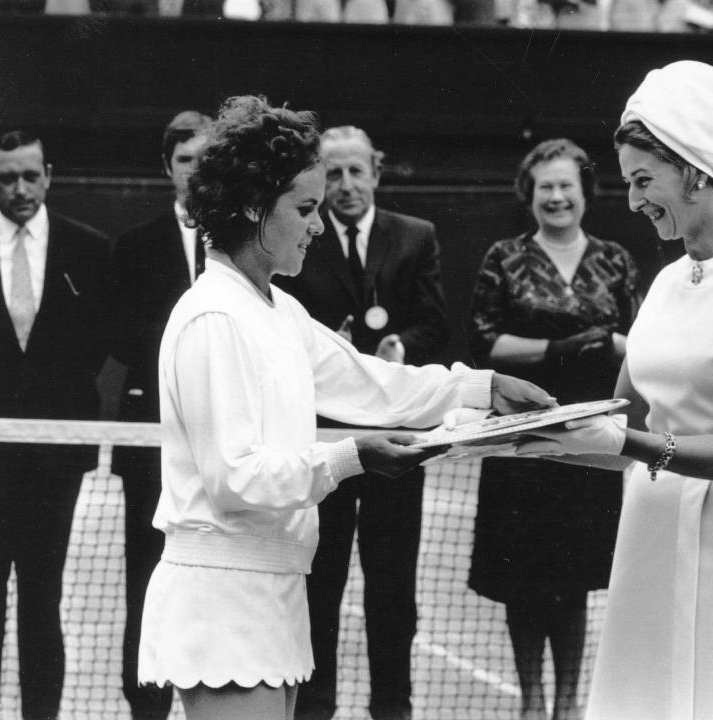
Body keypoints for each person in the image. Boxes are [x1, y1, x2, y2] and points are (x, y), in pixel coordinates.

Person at [135, 94, 554, 720]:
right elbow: (234, 479)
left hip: (276, 589)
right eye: (304, 208)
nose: (315, 224)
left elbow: (373, 384)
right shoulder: (213, 317)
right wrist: (348, 457)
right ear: (253, 207)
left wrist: (481, 386)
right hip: (223, 597)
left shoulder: (278, 310)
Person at [515, 60, 713, 718]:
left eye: (643, 180)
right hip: (649, 526)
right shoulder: (669, 280)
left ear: (694, 169)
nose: (632, 200)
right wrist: (521, 437)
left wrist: (625, 439)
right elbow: (620, 421)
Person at [274, 125, 448, 720]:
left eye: (356, 171)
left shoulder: (416, 237)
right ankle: (315, 708)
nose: (346, 186)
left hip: (400, 440)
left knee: (393, 589)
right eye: (334, 173)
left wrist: (401, 345)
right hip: (326, 442)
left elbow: (435, 326)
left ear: (376, 170)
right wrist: (335, 355)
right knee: (321, 584)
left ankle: (391, 708)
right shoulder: (305, 237)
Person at [466, 138, 640, 720]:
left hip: (592, 440)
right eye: (546, 187)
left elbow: (640, 344)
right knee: (526, 579)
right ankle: (531, 703)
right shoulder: (503, 255)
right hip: (523, 436)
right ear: (529, 194)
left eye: (568, 185)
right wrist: (556, 347)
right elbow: (485, 340)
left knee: (575, 577)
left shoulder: (614, 259)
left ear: (585, 192)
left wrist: (609, 341)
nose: (558, 196)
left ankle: (568, 706)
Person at [0, 130, 111, 720]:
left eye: (30, 176)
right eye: (6, 178)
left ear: (48, 175)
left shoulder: (89, 249)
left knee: (43, 599)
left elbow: (97, 342)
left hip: (55, 455)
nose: (19, 189)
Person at [110, 109, 213, 720]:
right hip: (150, 445)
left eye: (206, 160)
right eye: (185, 161)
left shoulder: (239, 244)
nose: (196, 172)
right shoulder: (134, 245)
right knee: (145, 583)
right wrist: (188, 338)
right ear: (168, 169)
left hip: (217, 448)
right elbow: (122, 337)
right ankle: (144, 708)